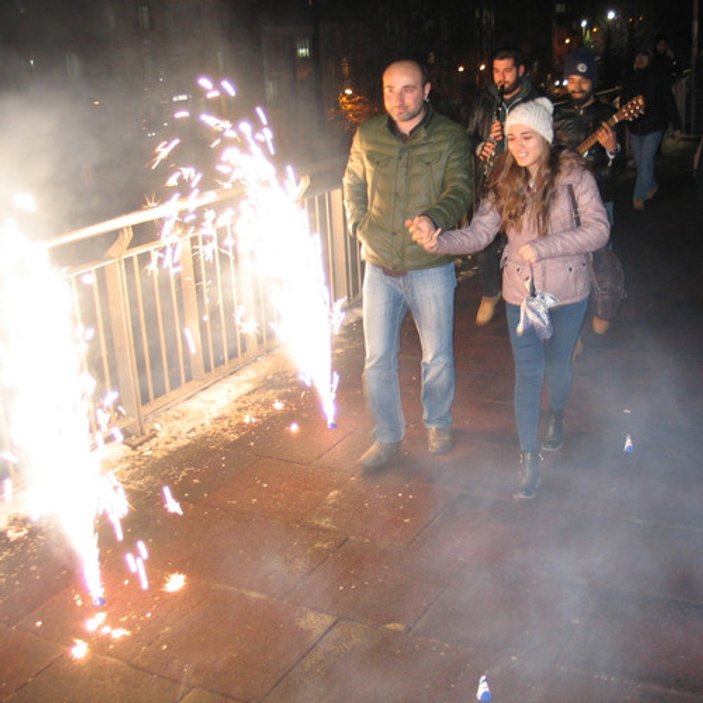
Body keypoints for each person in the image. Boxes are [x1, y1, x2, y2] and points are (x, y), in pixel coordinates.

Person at [407, 97, 609, 499]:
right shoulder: (505, 180)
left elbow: (599, 230)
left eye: (527, 137)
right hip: (522, 295)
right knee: (529, 375)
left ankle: (557, 415)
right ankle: (529, 458)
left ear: (546, 138)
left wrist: (547, 246)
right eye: (512, 137)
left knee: (559, 365)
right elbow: (481, 233)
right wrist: (439, 239)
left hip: (567, 293)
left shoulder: (575, 176)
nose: (517, 146)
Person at [342, 59, 473, 468]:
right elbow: (352, 185)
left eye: (408, 89)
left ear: (427, 90)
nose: (398, 99)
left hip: (429, 265)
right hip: (379, 267)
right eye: (390, 90)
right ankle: (387, 436)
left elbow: (461, 189)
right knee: (376, 359)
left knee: (436, 355)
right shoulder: (366, 135)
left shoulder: (450, 136)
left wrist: (435, 218)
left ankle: (437, 421)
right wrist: (361, 227)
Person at [466, 47, 542, 326]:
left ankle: (532, 302)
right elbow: (469, 136)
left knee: (526, 243)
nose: (501, 77)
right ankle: (490, 292)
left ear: (520, 71)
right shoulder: (485, 101)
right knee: (484, 240)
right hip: (492, 182)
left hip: (525, 184)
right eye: (496, 71)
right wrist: (481, 147)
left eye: (508, 70)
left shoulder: (536, 100)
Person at [554, 48, 624, 335]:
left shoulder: (609, 115)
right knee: (564, 262)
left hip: (598, 197)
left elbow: (619, 169)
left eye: (583, 80)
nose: (577, 86)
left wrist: (612, 150)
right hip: (560, 199)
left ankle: (604, 307)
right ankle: (572, 329)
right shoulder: (555, 114)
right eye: (571, 80)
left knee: (600, 257)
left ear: (592, 81)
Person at [621, 48, 682, 211]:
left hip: (654, 125)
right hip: (635, 127)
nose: (640, 59)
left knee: (646, 161)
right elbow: (623, 103)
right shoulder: (630, 79)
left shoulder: (657, 77)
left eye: (644, 56)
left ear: (649, 59)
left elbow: (669, 101)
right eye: (638, 56)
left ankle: (638, 197)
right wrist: (625, 121)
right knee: (642, 163)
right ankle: (652, 185)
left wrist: (676, 126)